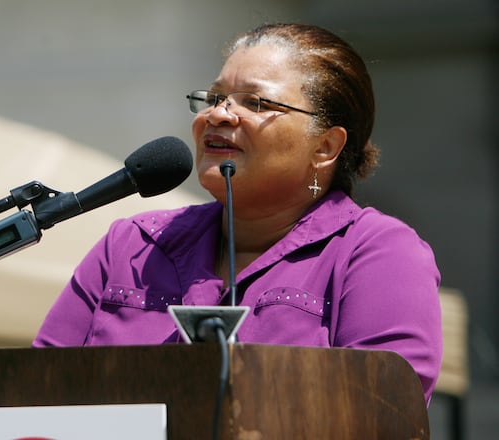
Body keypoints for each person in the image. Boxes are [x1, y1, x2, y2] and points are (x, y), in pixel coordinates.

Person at [32, 23, 442, 403]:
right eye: (213, 98)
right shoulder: (131, 245)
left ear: (325, 147)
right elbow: (34, 393)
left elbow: (380, 412)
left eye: (255, 102)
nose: (217, 114)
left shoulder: (378, 253)